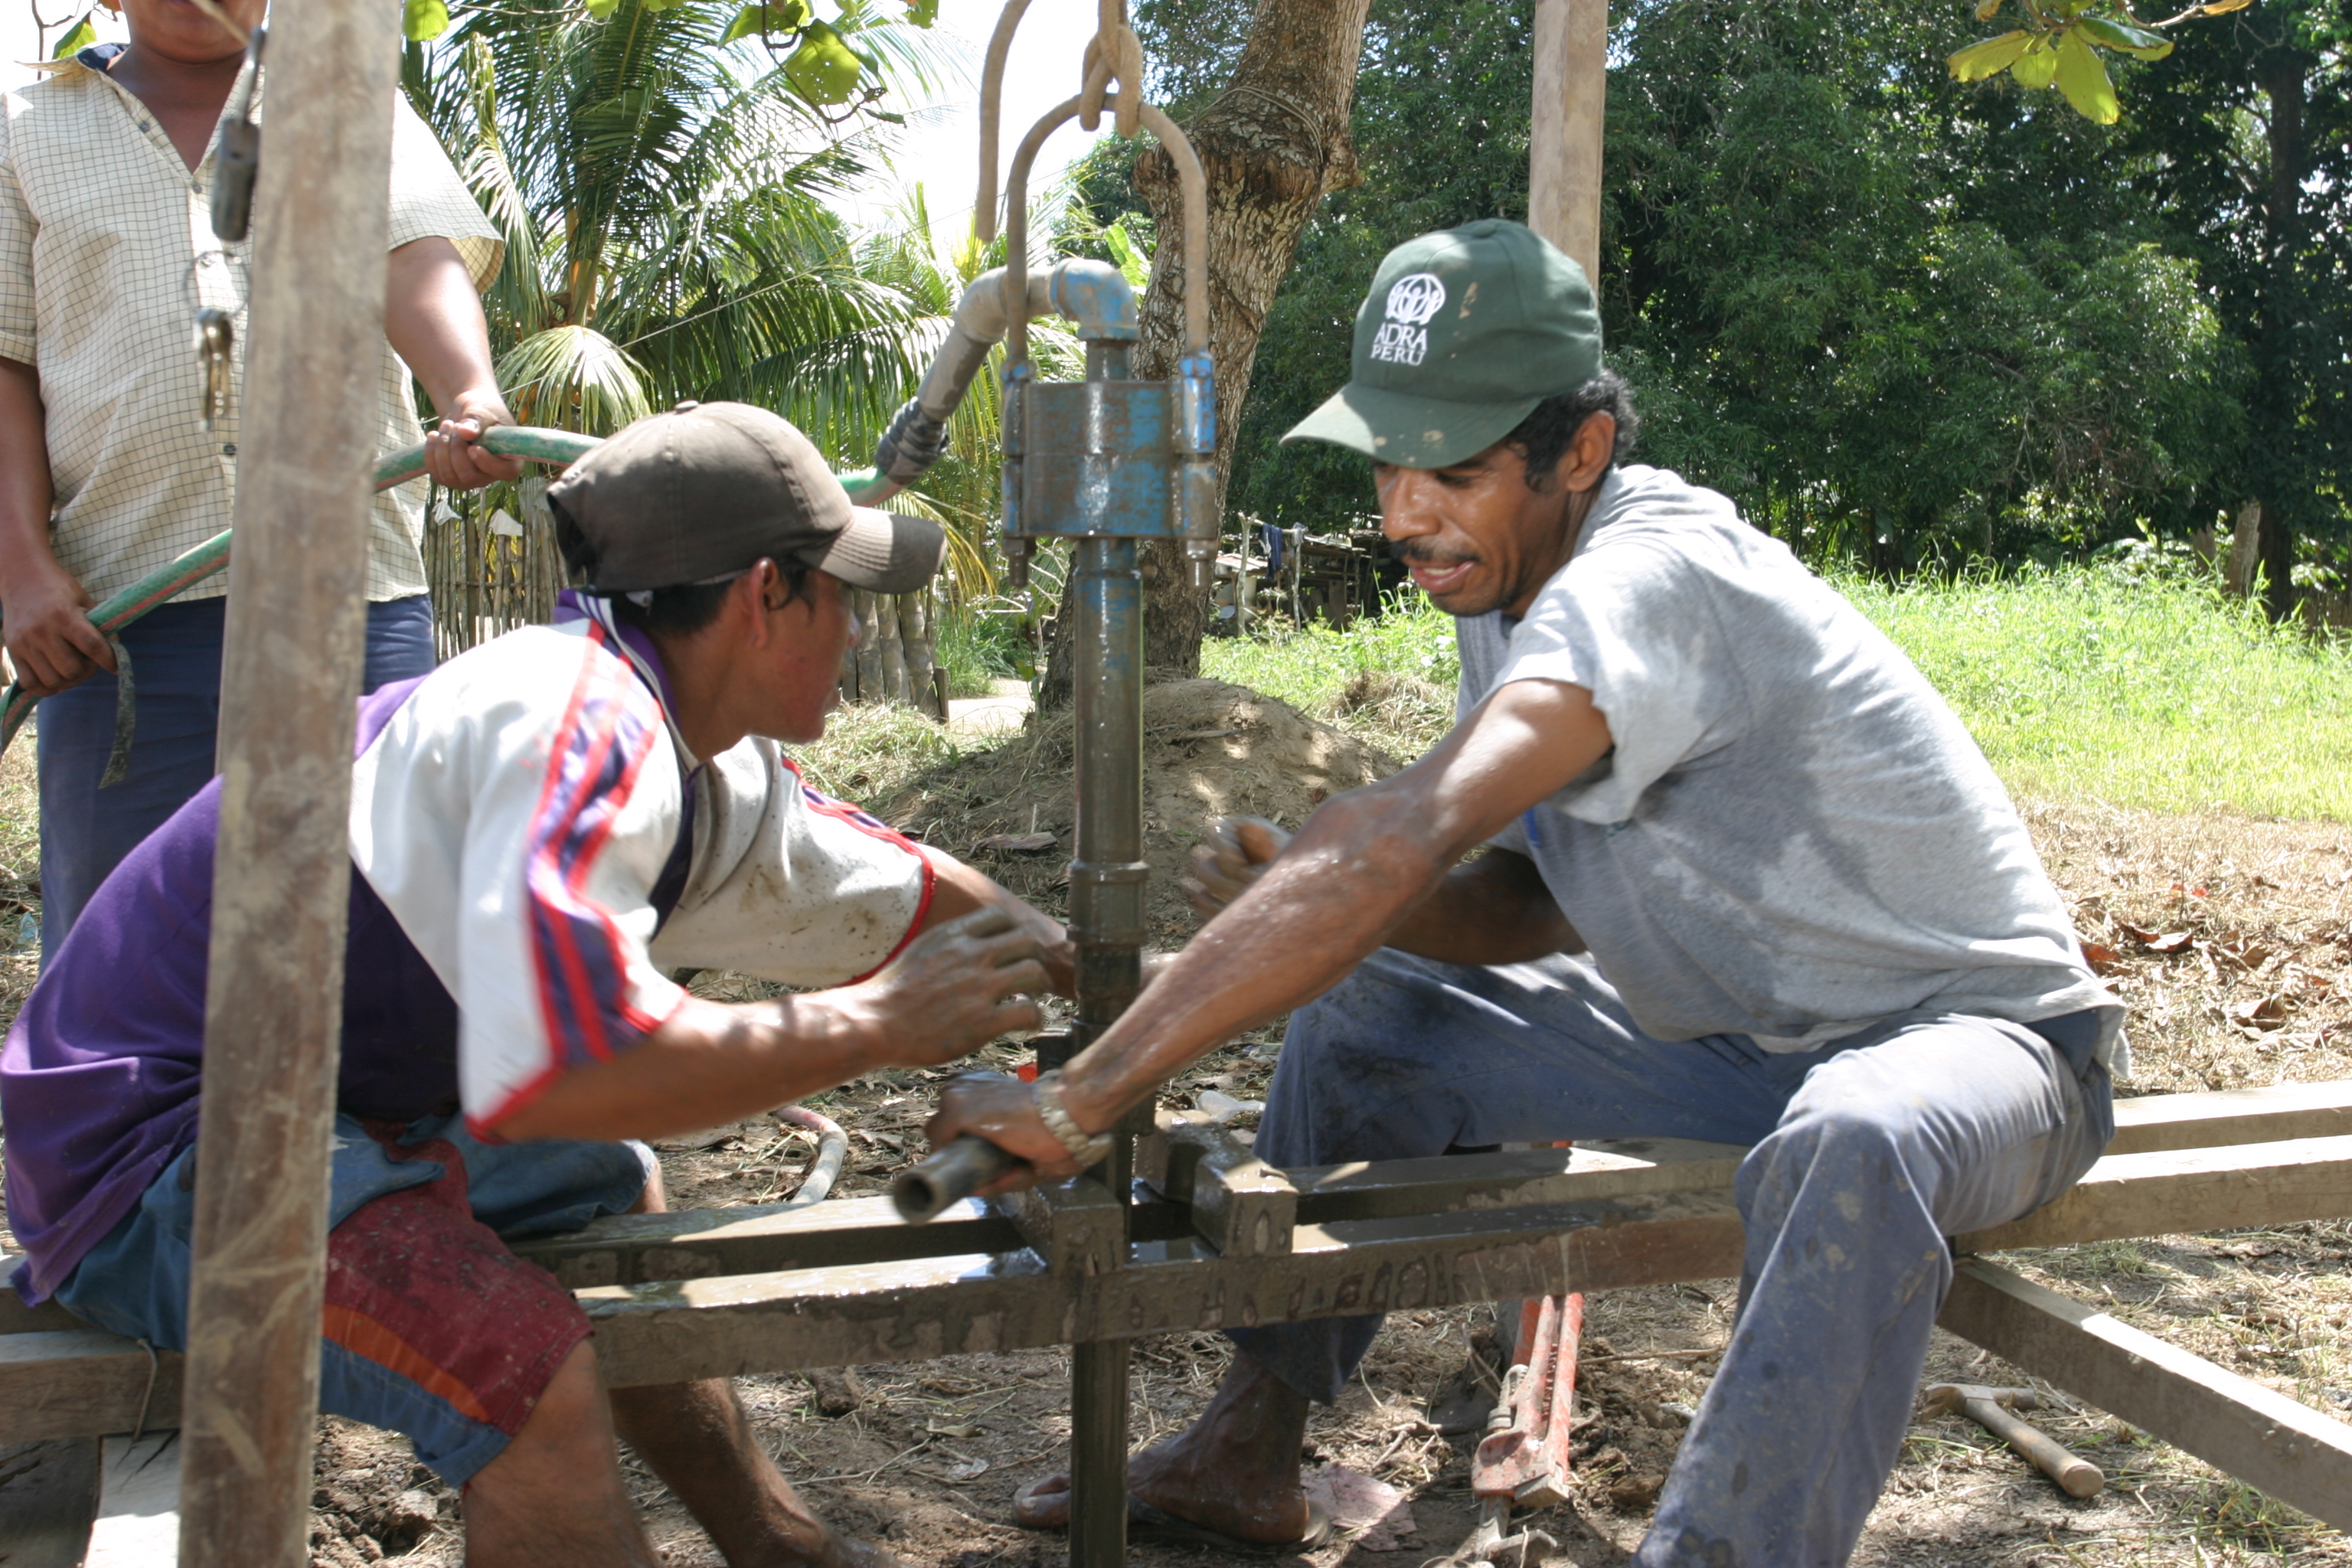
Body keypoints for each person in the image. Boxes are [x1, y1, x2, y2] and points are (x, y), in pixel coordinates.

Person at [924, 219, 2123, 1567]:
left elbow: (1405, 826)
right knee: (1373, 999)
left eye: (1455, 471)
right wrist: (1336, 908)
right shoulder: (1506, 587)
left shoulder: (1649, 578)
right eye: (1387, 465)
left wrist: (1079, 1097)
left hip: (1987, 1054)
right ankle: (1244, 1452)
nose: (1403, 515)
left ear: (1581, 452)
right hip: (1745, 1049)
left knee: (1855, 1136)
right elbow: (1531, 903)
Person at [2, 403, 1074, 1568]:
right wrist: (874, 1026)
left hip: (322, 1103)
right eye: (841, 595)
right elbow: (562, 1076)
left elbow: (907, 887)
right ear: (765, 593)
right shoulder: (573, 727)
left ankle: (777, 1545)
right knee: (524, 1376)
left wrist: (1108, 983)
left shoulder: (681, 737)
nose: (856, 630)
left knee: (607, 1182)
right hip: (156, 1149)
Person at [0, 0, 521, 961]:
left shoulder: (349, 96)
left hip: (349, 600)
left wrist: (470, 392)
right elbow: (6, 363)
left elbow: (414, 255)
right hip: (120, 625)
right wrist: (22, 571)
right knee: (126, 954)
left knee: (379, 942)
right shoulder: (23, 128)